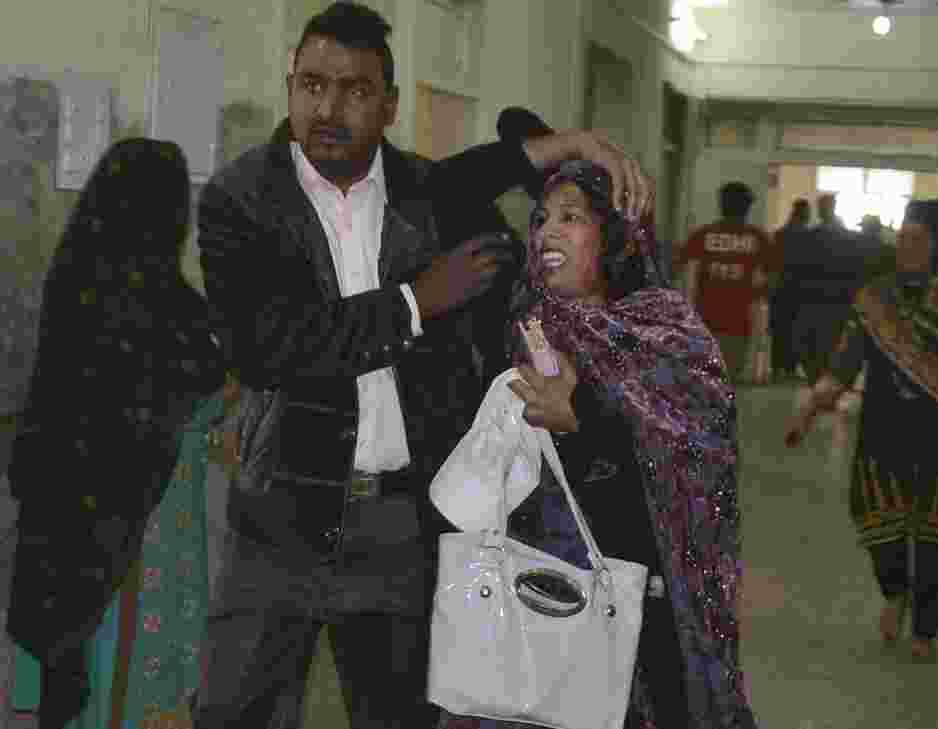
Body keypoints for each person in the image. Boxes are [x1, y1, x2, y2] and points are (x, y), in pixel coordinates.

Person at [191, 4, 655, 728]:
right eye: (311, 85)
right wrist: (416, 301)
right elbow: (270, 345)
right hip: (278, 518)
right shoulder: (240, 200)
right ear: (290, 87)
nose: (328, 107)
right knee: (233, 712)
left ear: (389, 104)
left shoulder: (425, 196)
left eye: (354, 90)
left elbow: (479, 185)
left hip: (399, 526)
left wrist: (566, 147)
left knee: (400, 715)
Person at [439, 160, 757, 729]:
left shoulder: (666, 333)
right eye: (540, 219)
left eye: (571, 217)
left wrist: (582, 418)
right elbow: (446, 191)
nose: (547, 233)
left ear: (615, 235)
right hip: (527, 598)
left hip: (631, 609)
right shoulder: (521, 324)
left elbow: (696, 464)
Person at [3, 138, 228, 728]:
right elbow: (204, 370)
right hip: (123, 525)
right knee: (111, 666)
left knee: (67, 658)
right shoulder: (157, 301)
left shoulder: (77, 269)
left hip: (61, 510)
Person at [784, 199, 938, 661]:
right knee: (880, 531)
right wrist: (810, 408)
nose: (907, 249)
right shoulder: (875, 298)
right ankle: (894, 593)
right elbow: (845, 363)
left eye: (919, 241)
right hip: (882, 439)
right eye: (903, 240)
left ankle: (926, 630)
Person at [675, 181, 780, 382]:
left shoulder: (702, 235)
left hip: (704, 318)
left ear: (721, 205)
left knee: (703, 378)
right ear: (747, 207)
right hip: (738, 321)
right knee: (728, 378)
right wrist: (756, 293)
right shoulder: (758, 238)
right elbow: (773, 279)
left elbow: (678, 270)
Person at [770, 199, 811, 380]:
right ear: (804, 214)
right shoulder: (809, 236)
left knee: (780, 328)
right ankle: (790, 367)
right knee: (796, 329)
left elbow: (773, 264)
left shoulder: (780, 234)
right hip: (800, 289)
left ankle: (777, 367)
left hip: (781, 288)